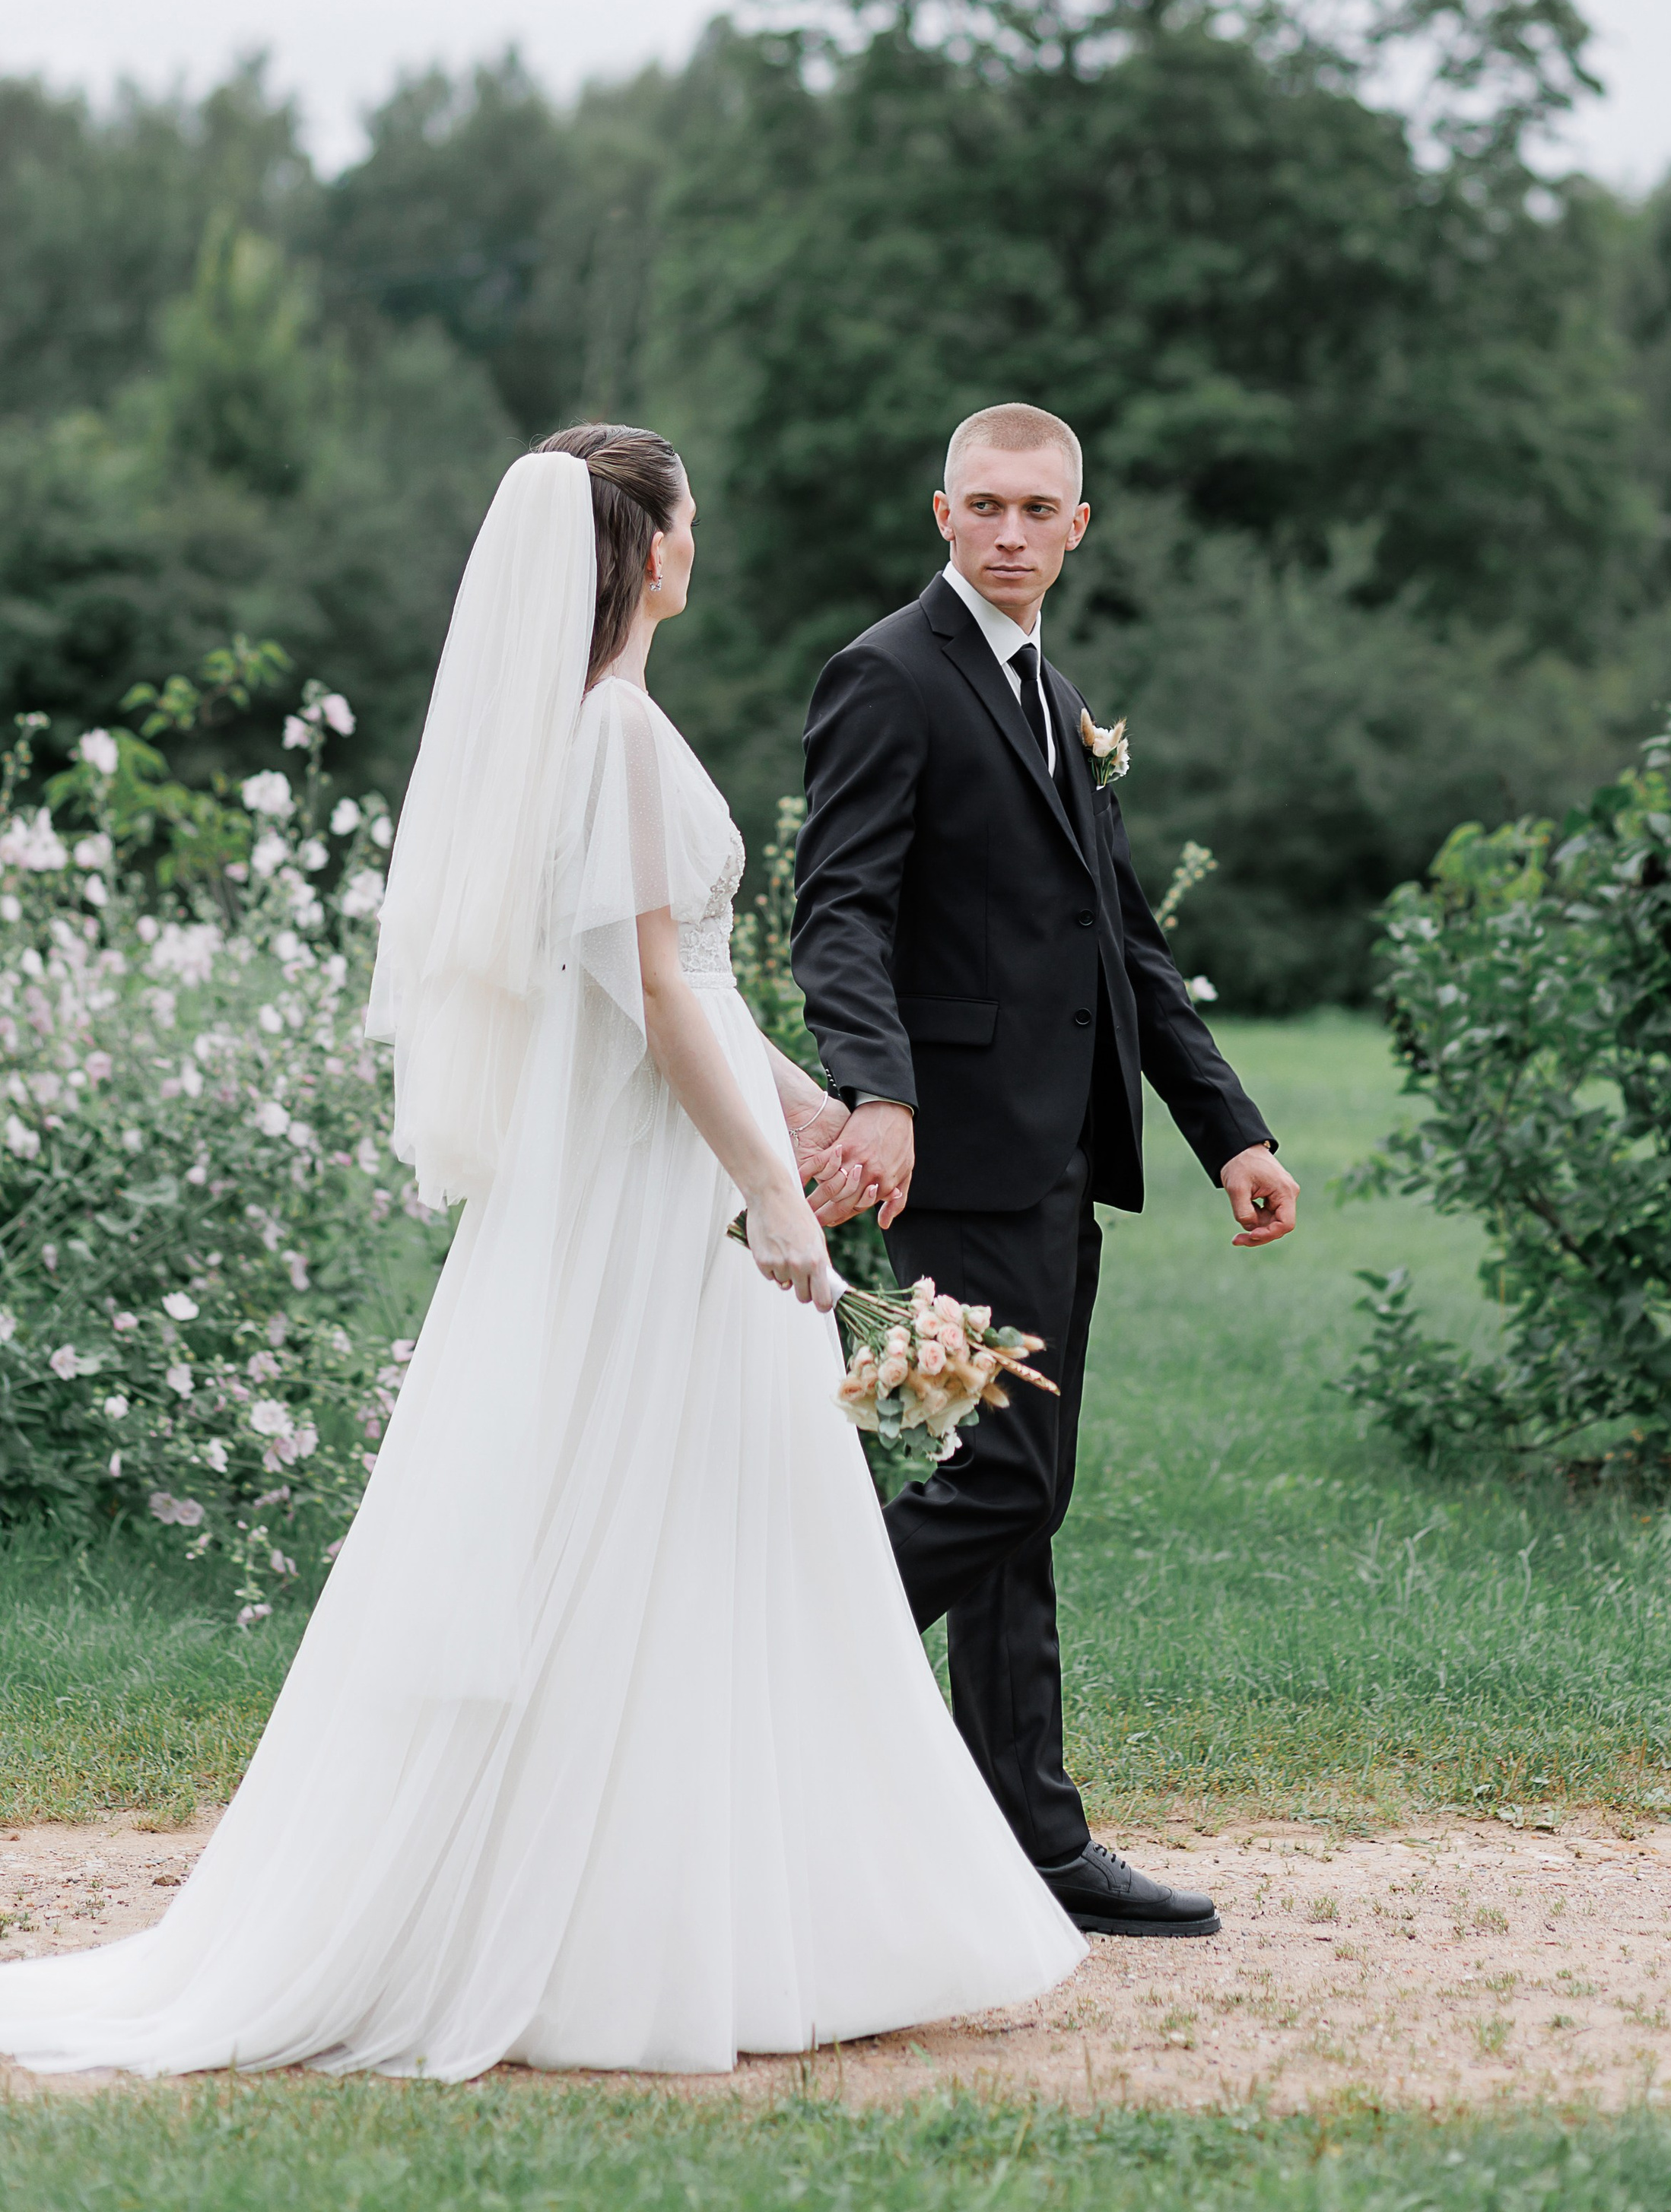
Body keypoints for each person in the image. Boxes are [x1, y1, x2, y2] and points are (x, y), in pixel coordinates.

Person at [0, 429, 1082, 2080]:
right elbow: (649, 1003)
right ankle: (593, 1931)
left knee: (702, 1538)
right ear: (642, 551)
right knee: (632, 1524)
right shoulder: (615, 743)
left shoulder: (605, 735)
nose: (696, 544)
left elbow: (699, 988)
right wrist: (773, 1197)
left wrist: (806, 1113)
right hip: (655, 1208)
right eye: (687, 521)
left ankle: (740, 1909)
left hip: (670, 1180)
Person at [793, 403, 1301, 1941]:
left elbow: (1122, 943)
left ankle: (1029, 1837)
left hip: (1055, 1162)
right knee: (1005, 1482)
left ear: (1078, 527)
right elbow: (839, 911)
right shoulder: (888, 675)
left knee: (1010, 1499)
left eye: (1038, 510)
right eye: (983, 506)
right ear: (937, 512)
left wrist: (1232, 1131)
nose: (1009, 532)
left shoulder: (1053, 694)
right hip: (943, 1163)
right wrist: (877, 1096)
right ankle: (767, 1673)